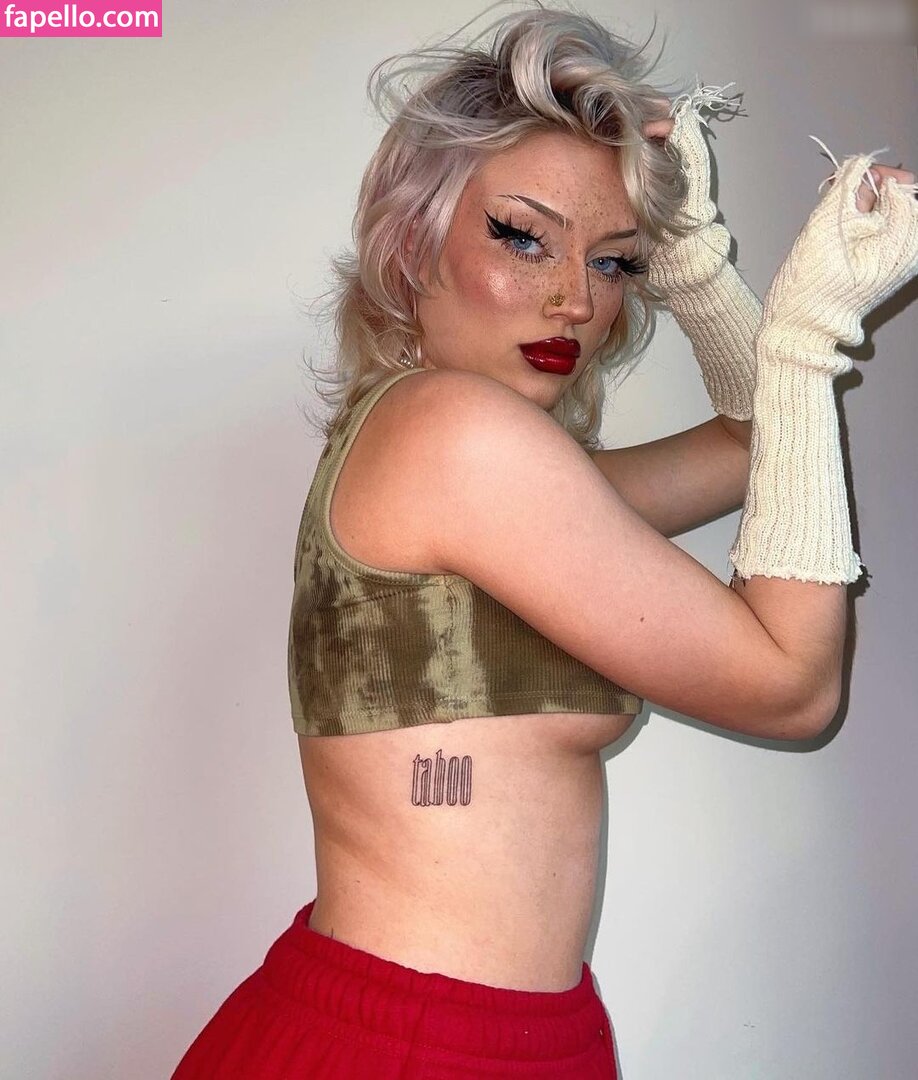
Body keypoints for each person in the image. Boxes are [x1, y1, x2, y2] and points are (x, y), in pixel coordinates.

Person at [170, 3, 918, 1077]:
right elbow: (792, 687)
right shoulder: (452, 436)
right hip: (411, 1045)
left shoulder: (466, 461)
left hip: (493, 1034)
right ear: (412, 242)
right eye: (522, 237)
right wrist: (806, 337)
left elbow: (758, 445)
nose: (574, 299)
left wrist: (696, 267)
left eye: (612, 262)